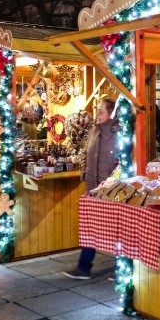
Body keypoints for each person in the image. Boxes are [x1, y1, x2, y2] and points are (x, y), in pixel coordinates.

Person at [64, 98, 119, 280]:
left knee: (117, 230)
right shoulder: (95, 130)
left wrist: (113, 183)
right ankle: (84, 267)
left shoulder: (118, 133)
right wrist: (84, 174)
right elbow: (87, 155)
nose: (98, 114)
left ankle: (121, 268)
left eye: (101, 111)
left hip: (111, 190)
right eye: (98, 110)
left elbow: (121, 162)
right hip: (92, 188)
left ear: (111, 113)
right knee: (90, 227)